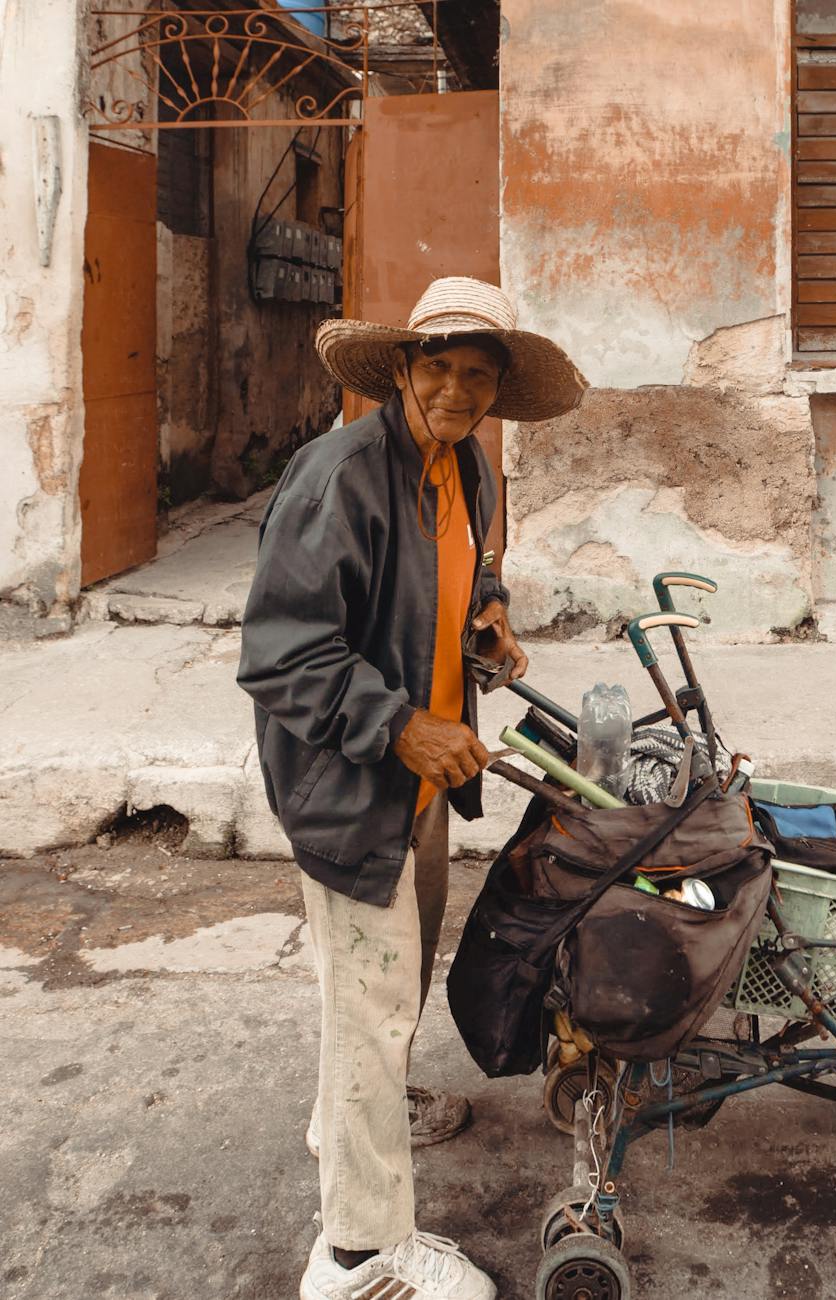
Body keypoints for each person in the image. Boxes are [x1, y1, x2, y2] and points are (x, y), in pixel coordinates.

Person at [238, 277, 585, 1300]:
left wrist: (489, 627)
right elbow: (281, 652)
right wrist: (400, 722)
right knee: (372, 1000)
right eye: (439, 367)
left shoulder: (469, 470)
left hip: (422, 787)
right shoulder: (337, 477)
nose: (458, 389)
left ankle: (359, 1115)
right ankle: (354, 1252)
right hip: (355, 787)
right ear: (401, 369)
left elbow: (466, 574)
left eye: (479, 375)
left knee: (382, 992)